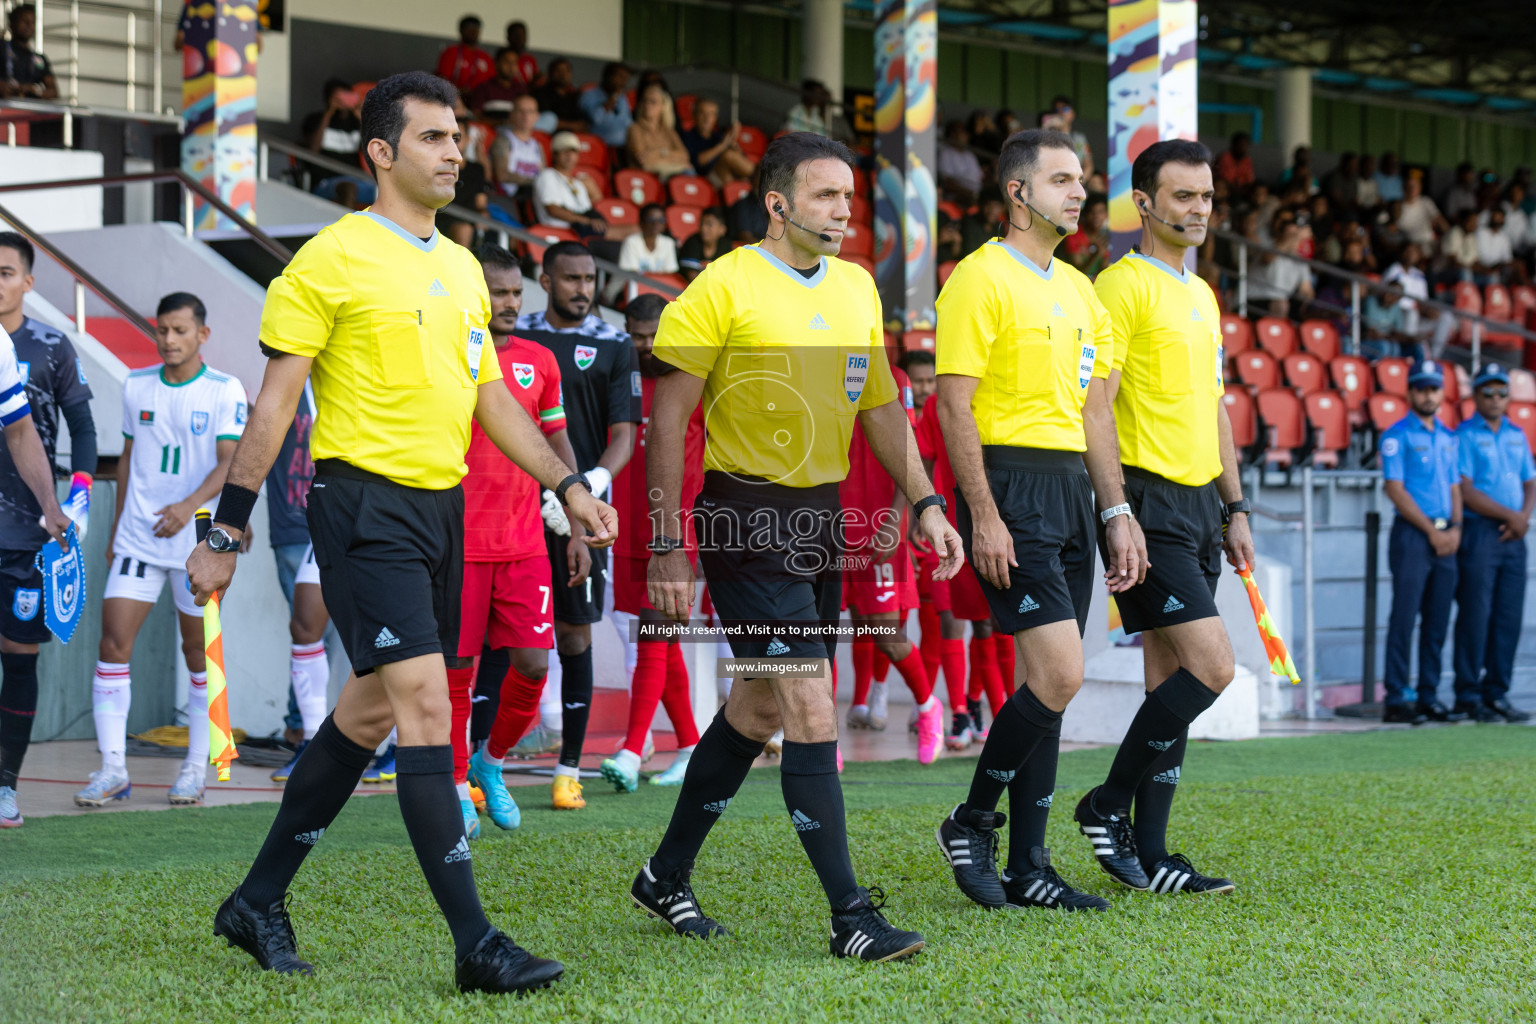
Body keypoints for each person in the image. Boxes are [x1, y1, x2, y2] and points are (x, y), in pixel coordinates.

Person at [185, 71, 615, 994]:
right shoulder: (328, 260)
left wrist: (565, 483)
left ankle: (256, 900)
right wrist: (225, 530)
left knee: (373, 709)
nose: (455, 151)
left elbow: (490, 398)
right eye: (432, 137)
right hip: (360, 506)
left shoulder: (462, 266)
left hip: (441, 509)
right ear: (381, 152)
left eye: (457, 136)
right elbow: (274, 407)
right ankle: (477, 945)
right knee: (427, 707)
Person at [630, 131, 962, 960]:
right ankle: (850, 915)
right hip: (743, 519)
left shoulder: (854, 289)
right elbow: (668, 418)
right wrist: (666, 542)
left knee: (759, 705)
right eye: (824, 196)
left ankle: (664, 875)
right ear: (777, 205)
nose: (844, 211)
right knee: (811, 702)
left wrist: (924, 499)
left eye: (848, 197)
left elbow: (881, 407)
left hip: (818, 520)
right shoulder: (723, 285)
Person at [932, 128, 1143, 913]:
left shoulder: (1083, 293)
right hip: (1009, 482)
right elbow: (954, 403)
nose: (1079, 191)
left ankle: (1030, 867)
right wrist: (982, 513)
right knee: (1059, 674)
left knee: (1044, 686)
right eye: (1060, 179)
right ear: (1018, 193)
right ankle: (971, 821)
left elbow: (1095, 414)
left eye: (1081, 179)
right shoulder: (977, 279)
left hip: (1071, 492)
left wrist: (1116, 509)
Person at [1064, 140, 1250, 898]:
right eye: (1183, 197)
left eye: (1206, 197)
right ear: (1143, 202)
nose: (1198, 210)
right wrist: (1117, 512)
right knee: (1213, 667)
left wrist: (1235, 505)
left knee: (1167, 675)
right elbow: (1094, 406)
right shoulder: (1119, 287)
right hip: (1149, 503)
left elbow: (1214, 409)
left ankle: (1153, 852)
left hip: (1204, 503)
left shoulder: (1201, 295)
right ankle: (1104, 805)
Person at [74, 293, 244, 809]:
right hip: (137, 539)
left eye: (179, 331)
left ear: (202, 335)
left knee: (198, 655)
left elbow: (230, 463)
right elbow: (129, 456)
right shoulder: (136, 384)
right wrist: (116, 524)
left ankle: (195, 770)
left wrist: (186, 505)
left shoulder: (223, 389)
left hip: (193, 542)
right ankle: (111, 770)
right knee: (112, 646)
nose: (169, 340)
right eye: (162, 330)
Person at [456, 246, 584, 836]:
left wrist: (577, 522)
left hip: (525, 542)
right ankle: (457, 782)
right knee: (458, 668)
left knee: (533, 664)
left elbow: (558, 446)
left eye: (514, 293)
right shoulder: (452, 355)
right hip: (458, 542)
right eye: (496, 293)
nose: (508, 304)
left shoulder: (539, 361)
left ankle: (492, 763)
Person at [513, 241, 640, 809]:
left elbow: (624, 434)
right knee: (504, 634)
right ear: (546, 280)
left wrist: (592, 481)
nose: (583, 288)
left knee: (575, 632)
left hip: (579, 506)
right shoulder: (518, 338)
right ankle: (483, 759)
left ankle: (569, 768)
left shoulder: (614, 343)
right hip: (515, 503)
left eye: (590, 278)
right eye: (570, 279)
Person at [0, 233, 95, 829]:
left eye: (6, 271)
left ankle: (6, 785)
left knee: (19, 656)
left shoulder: (50, 344)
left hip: (28, 529)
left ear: (28, 282)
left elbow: (79, 426)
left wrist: (76, 494)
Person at [597, 293, 704, 792]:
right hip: (628, 528)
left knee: (654, 634)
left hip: (677, 532)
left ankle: (632, 747)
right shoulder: (623, 377)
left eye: (653, 335)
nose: (645, 345)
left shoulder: (694, 379)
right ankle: (689, 747)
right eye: (636, 335)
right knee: (664, 639)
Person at [840, 360, 944, 764]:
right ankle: (822, 737)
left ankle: (926, 705)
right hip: (827, 524)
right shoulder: (811, 368)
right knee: (823, 632)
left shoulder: (894, 378)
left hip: (878, 524)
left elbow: (908, 448)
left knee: (883, 630)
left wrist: (899, 516)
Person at [1379, 361, 1463, 726]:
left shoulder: (1448, 438)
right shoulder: (1396, 435)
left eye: (1434, 389)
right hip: (1415, 535)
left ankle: (1429, 695)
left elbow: (1455, 486)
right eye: (1421, 389)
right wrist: (1432, 531)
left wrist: (1457, 527)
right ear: (1410, 393)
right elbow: (1394, 489)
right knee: (1404, 616)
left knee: (1437, 620)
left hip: (1447, 534)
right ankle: (1397, 696)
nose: (1428, 395)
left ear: (1442, 394)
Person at [1451, 364, 1534, 724]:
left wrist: (1523, 517)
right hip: (1481, 532)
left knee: (1508, 617)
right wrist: (1513, 517)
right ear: (1476, 397)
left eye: (1502, 393)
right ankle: (1468, 694)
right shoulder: (1464, 436)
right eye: (1489, 393)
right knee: (1475, 615)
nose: (1496, 399)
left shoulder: (1517, 434)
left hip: (1514, 534)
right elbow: (1466, 490)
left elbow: (1530, 481)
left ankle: (1497, 692)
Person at [303, 79, 375, 205]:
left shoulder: (355, 123)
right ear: (328, 99)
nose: (342, 100)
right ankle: (349, 225)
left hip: (356, 178)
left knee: (388, 191)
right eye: (338, 96)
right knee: (348, 188)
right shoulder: (316, 119)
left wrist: (360, 115)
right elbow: (313, 149)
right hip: (326, 181)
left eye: (346, 96)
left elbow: (373, 145)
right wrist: (329, 112)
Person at [627, 84, 694, 183]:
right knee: (687, 171)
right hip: (645, 180)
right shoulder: (634, 129)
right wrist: (672, 158)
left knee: (688, 172)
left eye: (653, 102)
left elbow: (685, 156)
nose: (647, 105)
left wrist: (659, 153)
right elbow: (643, 161)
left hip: (670, 177)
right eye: (645, 101)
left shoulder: (669, 131)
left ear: (663, 106)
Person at [681, 98, 757, 184]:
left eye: (711, 114)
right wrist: (722, 145)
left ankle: (759, 179)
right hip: (703, 180)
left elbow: (741, 158)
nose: (707, 118)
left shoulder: (718, 136)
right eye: (702, 113)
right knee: (728, 156)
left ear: (715, 117)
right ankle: (762, 177)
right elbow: (697, 161)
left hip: (725, 176)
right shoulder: (687, 136)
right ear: (694, 115)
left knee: (743, 176)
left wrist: (733, 141)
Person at [488, 94, 544, 200]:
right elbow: (502, 175)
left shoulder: (537, 146)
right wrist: (535, 181)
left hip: (533, 196)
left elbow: (543, 175)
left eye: (530, 111)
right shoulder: (503, 141)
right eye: (521, 111)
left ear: (537, 116)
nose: (525, 116)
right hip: (511, 198)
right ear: (512, 115)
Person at [0, 5, 56, 100]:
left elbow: (54, 92)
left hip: (27, 112)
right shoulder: (1, 48)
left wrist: (34, 90)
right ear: (11, 24)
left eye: (32, 22)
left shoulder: (39, 59)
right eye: (24, 21)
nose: (29, 26)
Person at [435, 15, 494, 95]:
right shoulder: (451, 52)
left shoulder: (485, 56)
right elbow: (442, 79)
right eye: (469, 28)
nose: (473, 32)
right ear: (461, 30)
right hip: (455, 96)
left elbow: (491, 82)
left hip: (480, 100)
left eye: (476, 28)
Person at [580, 62, 633, 150]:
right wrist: (611, 101)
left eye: (626, 78)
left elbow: (628, 123)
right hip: (597, 148)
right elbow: (596, 118)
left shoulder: (622, 98)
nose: (624, 82)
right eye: (620, 77)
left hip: (622, 150)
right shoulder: (589, 95)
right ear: (608, 76)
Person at [617, 204, 680, 277]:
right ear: (641, 223)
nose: (656, 224)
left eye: (660, 220)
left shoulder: (668, 243)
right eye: (651, 220)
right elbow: (631, 276)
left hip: (655, 287)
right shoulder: (631, 241)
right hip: (628, 286)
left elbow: (670, 274)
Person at [532, 57, 587, 135]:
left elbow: (580, 123)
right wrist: (571, 125)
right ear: (550, 73)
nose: (563, 74)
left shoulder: (574, 96)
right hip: (547, 135)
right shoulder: (541, 93)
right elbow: (545, 120)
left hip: (570, 138)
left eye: (566, 71)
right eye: (559, 71)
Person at [468, 47, 529, 115]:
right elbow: (476, 116)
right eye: (507, 62)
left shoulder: (521, 90)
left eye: (514, 62)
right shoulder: (484, 88)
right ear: (496, 63)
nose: (511, 66)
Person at [1063, 193, 1109, 277]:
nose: (1096, 216)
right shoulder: (1073, 234)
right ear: (1085, 213)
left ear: (1106, 215)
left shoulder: (1106, 238)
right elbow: (1079, 272)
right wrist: (1096, 254)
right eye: (1092, 212)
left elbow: (1104, 271)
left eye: (1100, 212)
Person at [937, 121, 983, 204]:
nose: (966, 135)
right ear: (952, 134)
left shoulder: (970, 155)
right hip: (957, 197)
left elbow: (980, 177)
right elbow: (947, 182)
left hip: (975, 195)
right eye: (962, 132)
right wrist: (969, 193)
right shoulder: (945, 153)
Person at [678, 205, 728, 280]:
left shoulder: (725, 246)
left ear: (722, 229)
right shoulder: (692, 242)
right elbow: (693, 279)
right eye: (702, 223)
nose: (703, 228)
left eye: (709, 224)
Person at [1050, 96, 1094, 181]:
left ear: (1072, 114)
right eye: (1056, 110)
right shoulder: (1047, 137)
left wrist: (1078, 183)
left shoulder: (1080, 139)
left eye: (1065, 109)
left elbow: (1089, 165)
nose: (1061, 112)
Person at [502, 20, 538, 90]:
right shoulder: (502, 58)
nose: (520, 38)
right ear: (508, 37)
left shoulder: (530, 60)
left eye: (522, 35)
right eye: (516, 35)